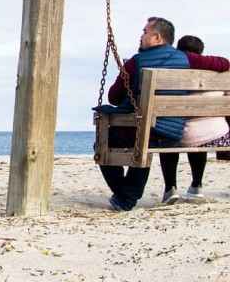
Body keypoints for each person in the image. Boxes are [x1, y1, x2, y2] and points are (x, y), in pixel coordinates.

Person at [97, 17, 230, 212]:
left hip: (144, 132)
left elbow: (114, 97)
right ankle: (125, 196)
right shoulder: (187, 59)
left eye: (144, 32)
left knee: (107, 141)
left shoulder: (136, 62)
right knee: (145, 143)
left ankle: (126, 195)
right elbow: (224, 63)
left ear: (157, 37)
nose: (141, 36)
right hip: (172, 135)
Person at [159, 35, 230, 204]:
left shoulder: (170, 73)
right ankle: (196, 186)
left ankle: (170, 188)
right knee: (201, 135)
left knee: (168, 139)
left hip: (178, 134)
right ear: (201, 51)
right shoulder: (218, 72)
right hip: (215, 135)